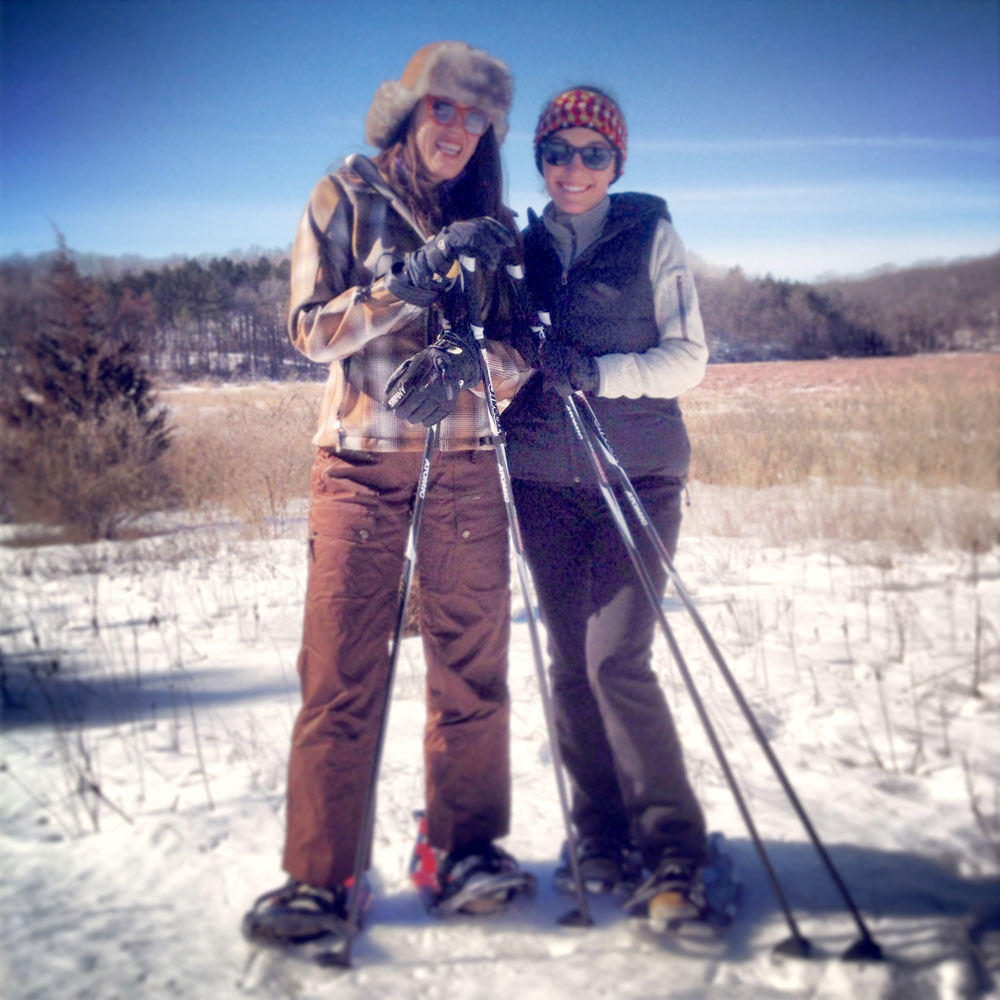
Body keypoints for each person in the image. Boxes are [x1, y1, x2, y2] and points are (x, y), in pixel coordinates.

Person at [242, 41, 531, 948]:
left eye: (476, 116)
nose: (458, 129)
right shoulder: (347, 192)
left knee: (472, 669)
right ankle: (321, 878)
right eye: (443, 108)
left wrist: (478, 364)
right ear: (409, 109)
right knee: (341, 673)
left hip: (467, 461)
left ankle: (462, 850)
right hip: (362, 463)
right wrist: (405, 285)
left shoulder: (493, 217)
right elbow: (307, 330)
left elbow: (530, 347)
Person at [500, 86, 711, 917]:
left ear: (617, 162)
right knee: (567, 664)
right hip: (544, 483)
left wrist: (602, 374)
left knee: (615, 659)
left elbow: (688, 358)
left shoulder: (651, 234)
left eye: (593, 153)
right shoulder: (523, 246)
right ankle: (600, 834)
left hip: (638, 474)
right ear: (541, 161)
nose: (574, 168)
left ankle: (672, 852)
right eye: (558, 152)